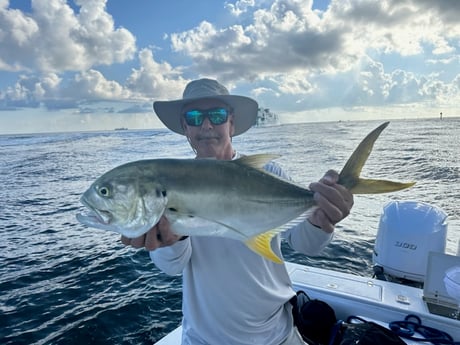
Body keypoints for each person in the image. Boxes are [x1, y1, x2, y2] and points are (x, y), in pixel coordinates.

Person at [121, 78, 354, 345]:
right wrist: (172, 238)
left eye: (217, 116)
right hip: (205, 339)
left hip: (277, 333)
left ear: (230, 122)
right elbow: (172, 267)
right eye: (195, 117)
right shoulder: (170, 183)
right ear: (185, 127)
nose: (206, 125)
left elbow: (305, 243)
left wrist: (322, 219)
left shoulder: (268, 173)